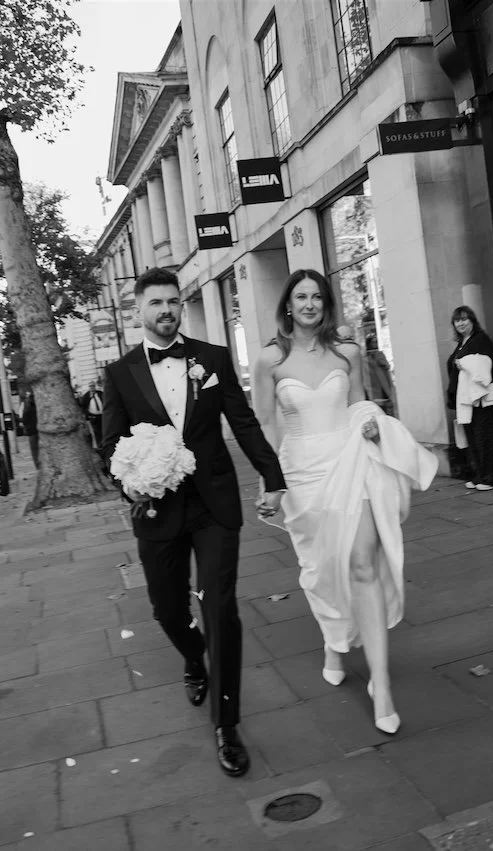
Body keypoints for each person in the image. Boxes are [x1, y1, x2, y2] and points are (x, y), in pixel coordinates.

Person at [102, 267, 285, 778]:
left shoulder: (213, 358)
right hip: (158, 509)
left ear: (181, 307)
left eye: (173, 302)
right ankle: (191, 655)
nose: (166, 311)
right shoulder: (119, 374)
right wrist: (129, 485)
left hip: (213, 506)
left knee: (219, 607)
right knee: (167, 610)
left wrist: (273, 476)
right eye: (156, 303)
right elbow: (110, 445)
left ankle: (227, 723)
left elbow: (242, 422)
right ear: (138, 310)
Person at [254, 269, 437, 736]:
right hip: (301, 476)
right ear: (288, 305)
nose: (310, 304)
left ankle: (382, 683)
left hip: (351, 463)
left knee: (361, 564)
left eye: (317, 296)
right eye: (301, 296)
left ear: (326, 304)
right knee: (321, 569)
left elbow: (359, 403)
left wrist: (372, 422)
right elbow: (268, 426)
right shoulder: (270, 359)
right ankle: (334, 643)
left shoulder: (348, 353)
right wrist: (269, 483)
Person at [447, 306, 493, 491]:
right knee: (472, 437)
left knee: (484, 436)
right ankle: (479, 474)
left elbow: (492, 366)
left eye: (465, 319)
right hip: (466, 399)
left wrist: (466, 365)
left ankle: (492, 477)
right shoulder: (463, 342)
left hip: (480, 398)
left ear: (472, 321)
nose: (461, 323)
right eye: (457, 320)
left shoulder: (480, 340)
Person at [363, 332, 396, 416]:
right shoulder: (365, 359)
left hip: (384, 388)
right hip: (374, 390)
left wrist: (381, 361)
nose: (375, 344)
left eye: (376, 342)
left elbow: (387, 366)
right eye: (373, 342)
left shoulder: (380, 355)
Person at [81, 381, 104, 449]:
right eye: (90, 386)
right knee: (97, 432)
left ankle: (107, 443)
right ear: (89, 387)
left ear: (95, 386)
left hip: (103, 415)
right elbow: (84, 407)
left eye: (93, 386)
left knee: (105, 429)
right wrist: (88, 416)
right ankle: (100, 446)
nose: (92, 387)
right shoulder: (86, 396)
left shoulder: (100, 393)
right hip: (93, 416)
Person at [20, 390, 39, 468]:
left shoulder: (27, 408)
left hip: (32, 431)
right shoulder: (37, 407)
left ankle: (37, 465)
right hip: (39, 430)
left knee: (34, 450)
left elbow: (24, 420)